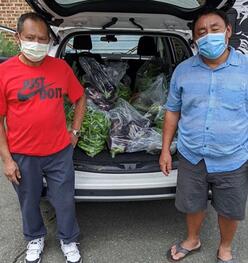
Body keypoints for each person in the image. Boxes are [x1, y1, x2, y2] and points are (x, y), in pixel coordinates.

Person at [160, 9, 248, 263]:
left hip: (233, 157)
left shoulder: (245, 69)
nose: (208, 35)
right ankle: (192, 239)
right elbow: (172, 112)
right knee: (192, 204)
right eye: (201, 32)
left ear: (228, 31)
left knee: (231, 209)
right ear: (194, 39)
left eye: (215, 29)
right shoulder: (183, 70)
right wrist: (166, 149)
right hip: (192, 154)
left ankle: (226, 247)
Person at [0, 13, 86, 263]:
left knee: (64, 200)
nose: (37, 44)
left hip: (59, 151)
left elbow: (80, 98)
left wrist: (75, 132)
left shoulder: (60, 68)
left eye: (42, 39)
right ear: (18, 38)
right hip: (23, 154)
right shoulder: (4, 72)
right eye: (30, 38)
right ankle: (34, 238)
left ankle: (69, 239)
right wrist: (7, 159)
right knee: (28, 201)